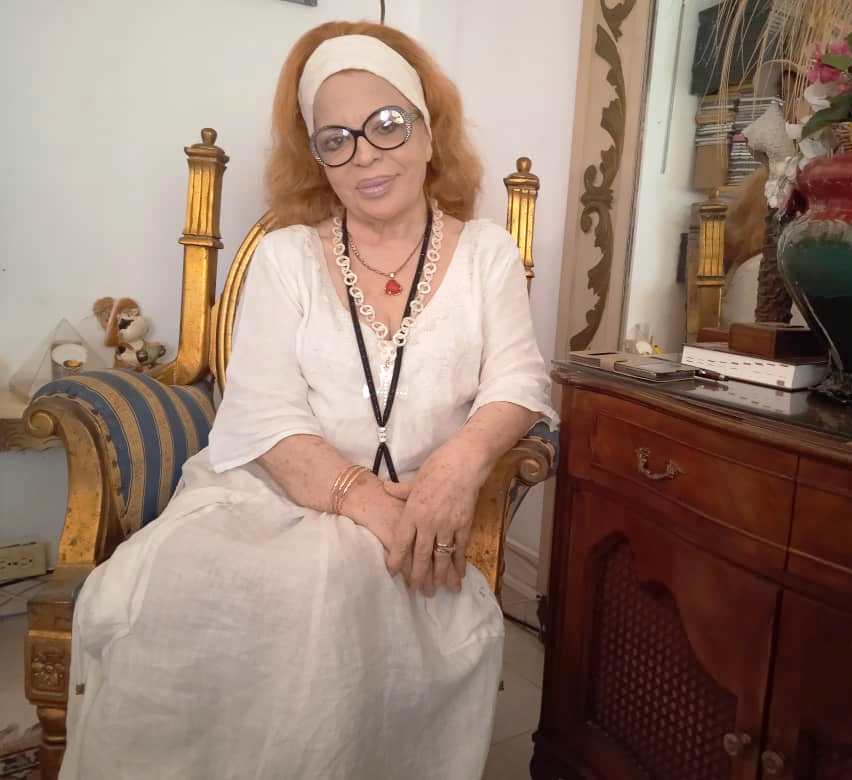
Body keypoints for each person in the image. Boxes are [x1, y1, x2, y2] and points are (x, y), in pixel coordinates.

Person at [60, 19, 556, 780]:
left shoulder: (488, 251)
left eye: (387, 124)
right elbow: (263, 412)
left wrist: (458, 467)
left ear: (429, 131)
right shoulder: (286, 256)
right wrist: (368, 502)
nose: (366, 155)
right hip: (270, 495)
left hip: (415, 499)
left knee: (331, 597)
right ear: (318, 159)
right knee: (209, 598)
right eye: (337, 139)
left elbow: (518, 382)